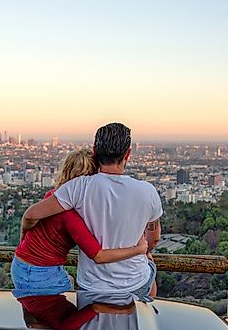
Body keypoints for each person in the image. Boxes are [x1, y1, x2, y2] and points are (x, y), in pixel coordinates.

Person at [21, 123, 162, 300]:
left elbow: (32, 214)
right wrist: (144, 251)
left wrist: (24, 241)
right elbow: (154, 238)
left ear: (95, 151)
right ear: (128, 154)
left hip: (91, 286)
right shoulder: (147, 191)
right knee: (149, 272)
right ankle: (148, 310)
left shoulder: (77, 188)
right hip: (135, 283)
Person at [12, 149, 147, 295]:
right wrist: (139, 250)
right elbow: (99, 256)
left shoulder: (52, 197)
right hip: (43, 275)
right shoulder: (71, 216)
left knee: (32, 309)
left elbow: (29, 217)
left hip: (19, 266)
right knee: (68, 315)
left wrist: (23, 241)